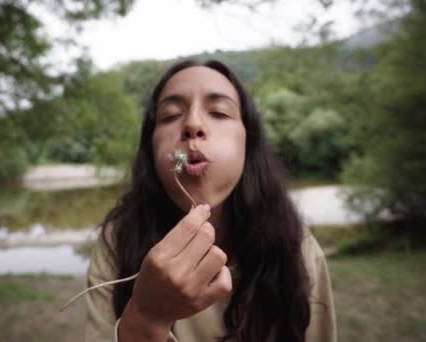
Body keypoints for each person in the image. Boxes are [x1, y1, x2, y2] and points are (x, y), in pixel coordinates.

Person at [84, 60, 336, 342]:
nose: (193, 124)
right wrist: (145, 318)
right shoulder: (119, 241)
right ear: (150, 146)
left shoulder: (297, 248)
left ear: (248, 143)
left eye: (218, 112)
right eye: (170, 115)